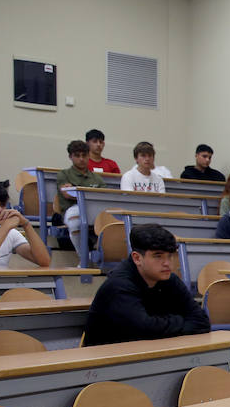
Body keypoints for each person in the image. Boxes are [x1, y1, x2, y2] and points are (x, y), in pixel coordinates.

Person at [82, 224, 210, 346]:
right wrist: (180, 320)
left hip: (147, 353)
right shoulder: (118, 285)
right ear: (137, 258)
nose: (167, 263)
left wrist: (159, 325)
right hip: (105, 361)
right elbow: (144, 329)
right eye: (158, 256)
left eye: (170, 256)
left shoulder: (169, 279)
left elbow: (202, 321)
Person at [56, 138, 107, 252]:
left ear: (89, 155)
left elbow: (103, 196)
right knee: (75, 221)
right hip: (72, 209)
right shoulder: (64, 174)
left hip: (95, 210)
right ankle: (83, 257)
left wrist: (77, 192)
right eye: (77, 156)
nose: (81, 159)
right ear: (70, 157)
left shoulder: (97, 178)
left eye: (84, 155)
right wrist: (92, 194)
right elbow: (67, 194)